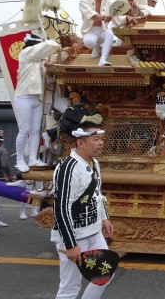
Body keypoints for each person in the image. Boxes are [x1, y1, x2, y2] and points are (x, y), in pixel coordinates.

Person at [51, 121, 113, 299]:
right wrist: (70, 245)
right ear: (80, 142)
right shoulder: (67, 168)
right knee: (70, 287)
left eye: (101, 138)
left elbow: (97, 193)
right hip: (74, 235)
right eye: (95, 139)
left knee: (104, 274)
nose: (101, 142)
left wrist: (104, 218)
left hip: (94, 232)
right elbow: (61, 208)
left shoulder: (94, 163)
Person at [14, 34, 60, 172]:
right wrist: (48, 43)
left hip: (37, 99)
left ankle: (33, 159)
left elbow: (49, 80)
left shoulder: (39, 62)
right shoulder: (26, 53)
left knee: (36, 130)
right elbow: (51, 45)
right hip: (24, 97)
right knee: (24, 130)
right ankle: (20, 160)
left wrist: (49, 68)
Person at [79, 0, 114, 66]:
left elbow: (116, 15)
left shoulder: (108, 1)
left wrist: (126, 17)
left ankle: (103, 60)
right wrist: (103, 17)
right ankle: (97, 47)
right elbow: (91, 14)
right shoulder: (84, 0)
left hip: (102, 30)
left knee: (110, 34)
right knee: (89, 42)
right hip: (90, 31)